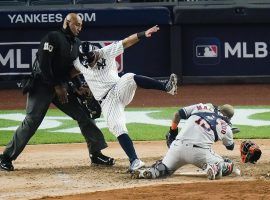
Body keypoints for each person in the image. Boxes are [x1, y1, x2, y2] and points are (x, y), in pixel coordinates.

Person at [0, 13, 114, 171]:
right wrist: (57, 85)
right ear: (67, 23)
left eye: (81, 25)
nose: (79, 28)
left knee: (84, 114)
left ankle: (96, 154)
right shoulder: (53, 37)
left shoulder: (77, 44)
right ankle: (5, 157)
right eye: (76, 24)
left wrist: (78, 86)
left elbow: (73, 70)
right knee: (32, 121)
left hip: (62, 86)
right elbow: (43, 64)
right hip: (41, 85)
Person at [73, 25, 178, 171]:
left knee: (129, 77)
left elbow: (127, 41)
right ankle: (135, 161)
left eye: (90, 59)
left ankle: (167, 86)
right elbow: (69, 74)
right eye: (86, 62)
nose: (89, 64)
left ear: (94, 52)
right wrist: (78, 86)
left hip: (118, 88)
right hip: (106, 102)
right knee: (117, 127)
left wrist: (143, 33)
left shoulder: (105, 52)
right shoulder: (79, 63)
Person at [132, 103, 235, 180]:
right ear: (229, 118)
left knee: (164, 168)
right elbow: (230, 147)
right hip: (199, 153)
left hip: (176, 147)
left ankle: (152, 172)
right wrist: (228, 133)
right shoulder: (226, 127)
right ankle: (213, 167)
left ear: (219, 108)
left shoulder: (201, 106)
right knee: (227, 164)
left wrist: (172, 132)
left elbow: (177, 114)